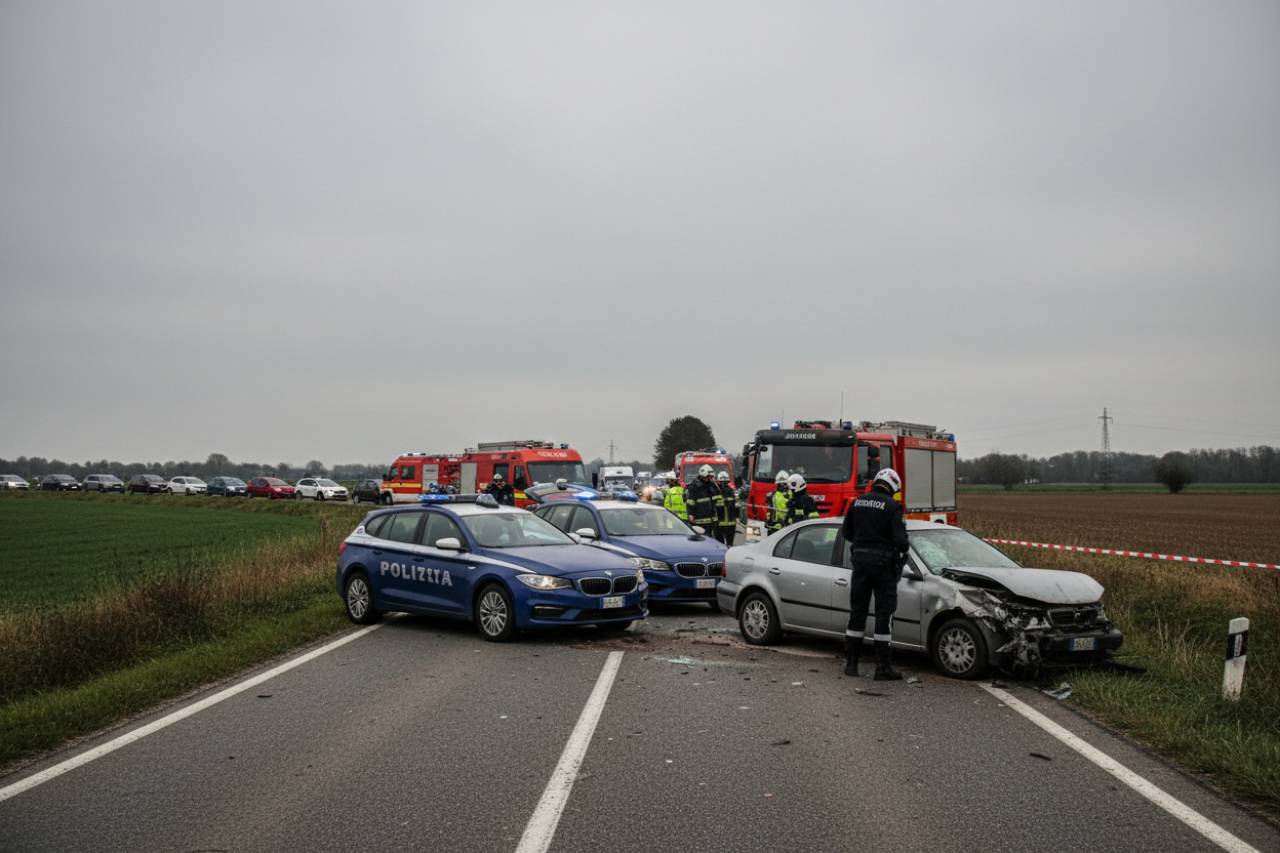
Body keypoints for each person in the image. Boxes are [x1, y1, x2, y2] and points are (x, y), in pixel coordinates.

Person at [841, 468, 909, 681]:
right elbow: (901, 542)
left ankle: (851, 665)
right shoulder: (892, 507)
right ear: (892, 487)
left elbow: (846, 533)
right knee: (883, 615)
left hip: (859, 564)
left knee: (857, 612)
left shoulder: (857, 502)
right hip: (883, 568)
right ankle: (883, 668)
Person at [685, 464, 719, 535]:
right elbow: (690, 502)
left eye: (711, 477)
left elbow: (717, 498)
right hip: (699, 519)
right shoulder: (694, 486)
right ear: (703, 475)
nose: (710, 478)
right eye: (708, 477)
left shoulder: (712, 485)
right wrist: (691, 515)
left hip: (711, 519)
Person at [714, 471, 737, 546]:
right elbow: (735, 506)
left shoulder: (715, 491)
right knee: (729, 544)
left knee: (719, 545)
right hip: (730, 523)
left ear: (718, 481)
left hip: (719, 523)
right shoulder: (732, 491)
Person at [766, 470, 790, 535]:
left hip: (788, 526)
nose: (783, 486)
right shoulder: (771, 495)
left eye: (784, 483)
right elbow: (769, 510)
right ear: (778, 484)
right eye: (781, 484)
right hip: (774, 527)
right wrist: (768, 520)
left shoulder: (791, 494)